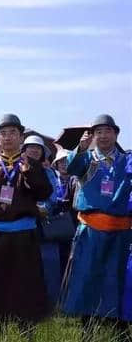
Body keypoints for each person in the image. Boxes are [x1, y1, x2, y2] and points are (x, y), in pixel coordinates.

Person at [0, 114, 51, 327]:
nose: (7, 138)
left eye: (12, 133)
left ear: (21, 137)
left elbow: (44, 193)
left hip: (24, 235)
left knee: (25, 282)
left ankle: (25, 327)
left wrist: (30, 174)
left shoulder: (32, 164)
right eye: (3, 134)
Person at [61, 115, 132, 335]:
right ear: (92, 136)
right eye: (98, 132)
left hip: (120, 231)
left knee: (115, 278)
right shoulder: (86, 158)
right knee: (86, 278)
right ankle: (87, 329)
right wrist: (80, 148)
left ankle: (116, 327)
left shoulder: (126, 160)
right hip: (90, 229)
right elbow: (71, 167)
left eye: (107, 131)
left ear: (116, 134)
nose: (103, 136)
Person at [22, 135, 62, 310]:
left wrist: (44, 206)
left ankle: (51, 304)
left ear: (43, 153)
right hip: (23, 223)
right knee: (25, 265)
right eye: (30, 147)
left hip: (45, 225)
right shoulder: (17, 168)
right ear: (23, 150)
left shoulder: (49, 172)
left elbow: (55, 195)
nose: (34, 150)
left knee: (49, 264)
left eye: (38, 148)